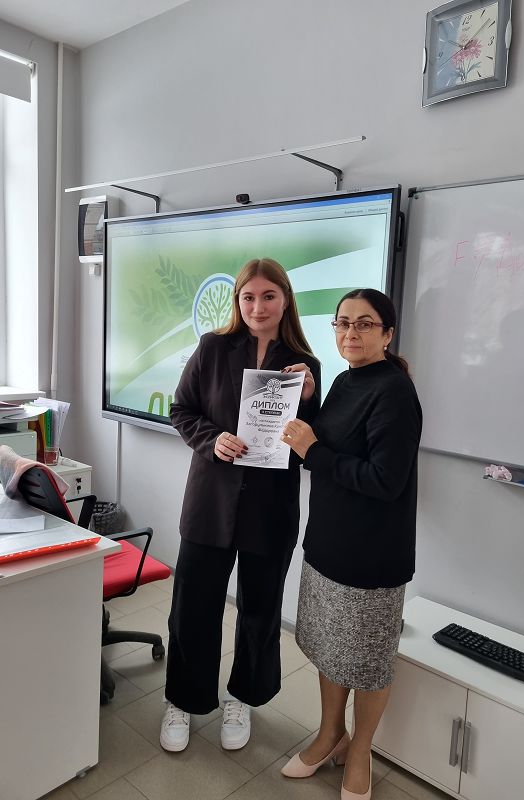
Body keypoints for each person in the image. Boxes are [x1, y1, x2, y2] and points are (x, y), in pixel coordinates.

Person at [160, 257, 320, 753]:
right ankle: (183, 699)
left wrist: (309, 398)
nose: (258, 306)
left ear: (285, 300)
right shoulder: (212, 348)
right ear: (237, 301)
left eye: (268, 296)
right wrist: (213, 440)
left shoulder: (304, 365)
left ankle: (243, 697)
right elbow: (181, 410)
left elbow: (313, 442)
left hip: (269, 508)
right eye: (248, 297)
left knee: (260, 610)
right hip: (211, 502)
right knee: (193, 606)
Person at [280, 288, 422, 800]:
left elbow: (384, 480)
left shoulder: (395, 392)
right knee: (329, 649)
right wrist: (307, 400)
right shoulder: (345, 380)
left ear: (388, 334)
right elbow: (327, 442)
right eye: (343, 323)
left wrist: (313, 450)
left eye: (364, 324)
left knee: (368, 663)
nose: (350, 333)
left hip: (372, 556)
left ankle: (360, 750)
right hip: (328, 543)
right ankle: (329, 734)